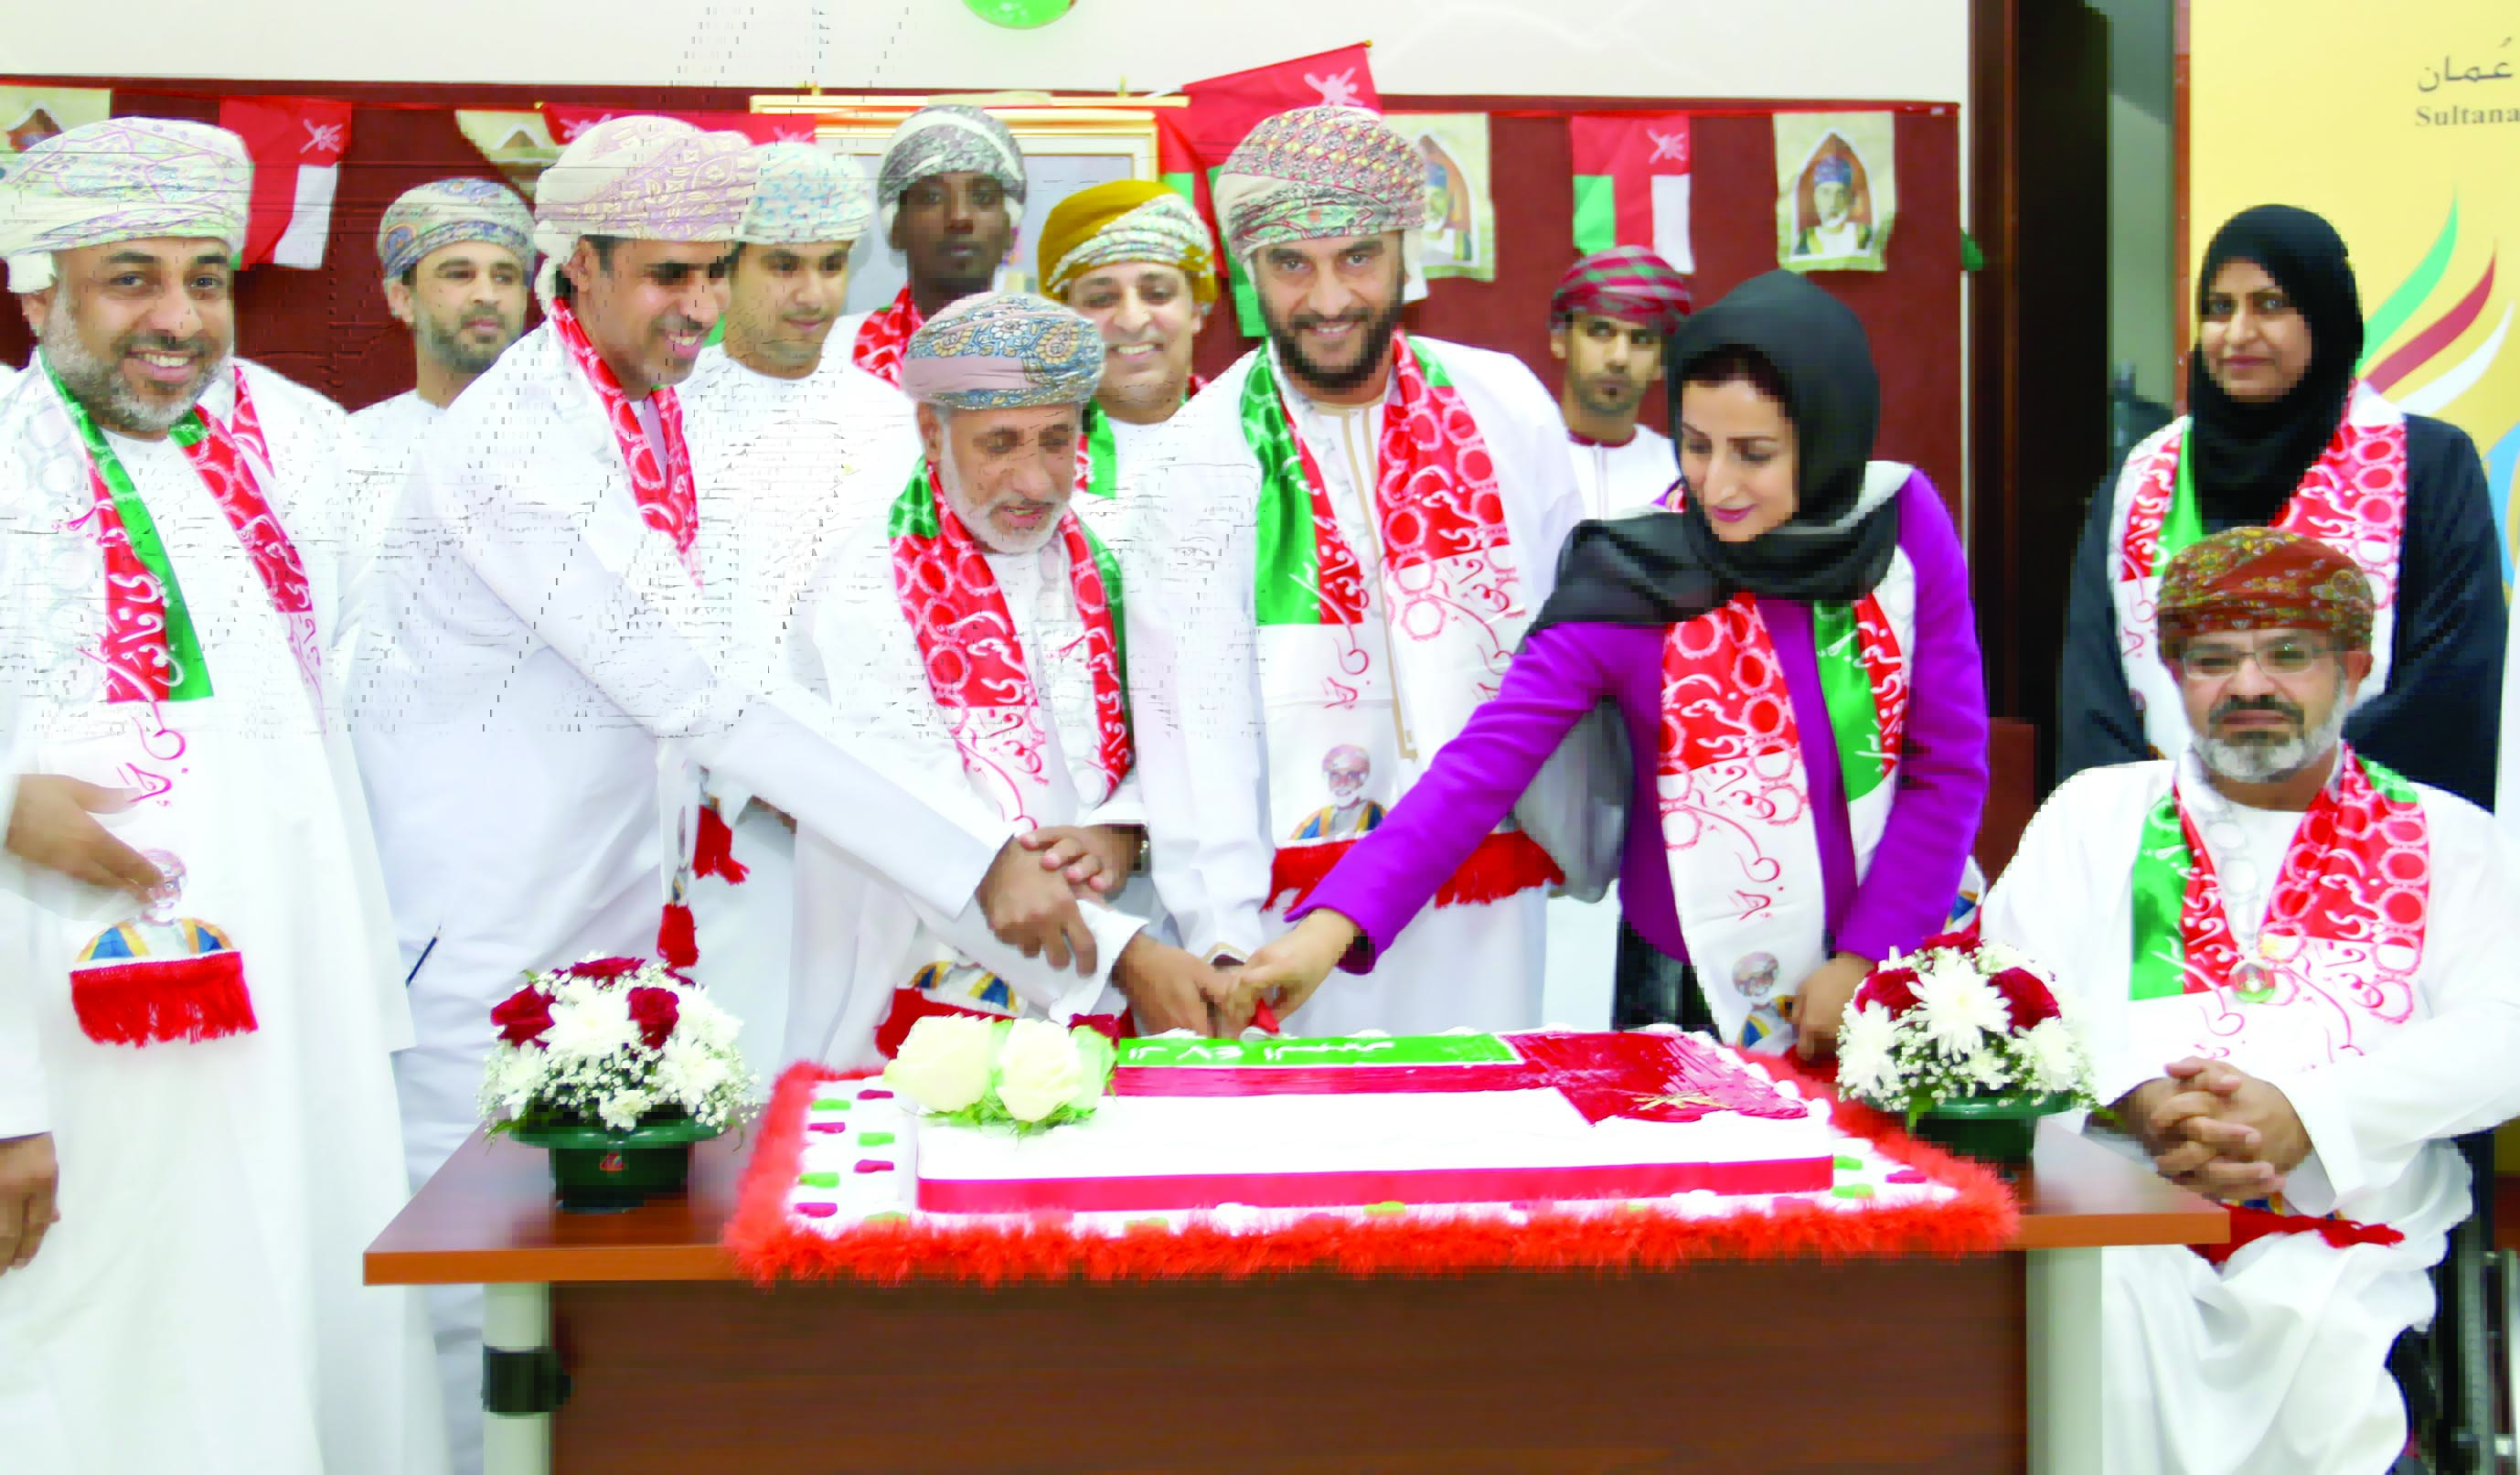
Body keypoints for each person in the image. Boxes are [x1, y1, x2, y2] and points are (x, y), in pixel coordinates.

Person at [349, 114, 1104, 1475]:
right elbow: (709, 688)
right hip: (480, 925)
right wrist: (980, 857)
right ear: (574, 265)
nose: (700, 305)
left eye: (712, 269)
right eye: (668, 273)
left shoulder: (632, 403)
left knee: (582, 1302)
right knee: (477, 1291)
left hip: (609, 917)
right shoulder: (521, 443)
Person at [0, 117, 446, 1475]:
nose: (180, 319)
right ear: (37, 290)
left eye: (206, 279)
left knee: (310, 1308)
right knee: (118, 1353)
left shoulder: (286, 448)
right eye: (130, 279)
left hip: (297, 1006)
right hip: (81, 1040)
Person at [1231, 271, 1988, 1055]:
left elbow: (1946, 765)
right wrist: (1328, 929)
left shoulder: (1899, 526)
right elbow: (1485, 763)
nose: (1717, 484)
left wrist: (1868, 956)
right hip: (1696, 987)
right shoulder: (1634, 574)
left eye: (1755, 454)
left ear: (1827, 439)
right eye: (1696, 445)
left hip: (1900, 954)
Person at [1982, 527, 2520, 1475]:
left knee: (2322, 1381)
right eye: (2213, 659)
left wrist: (2308, 1114)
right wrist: (2141, 1096)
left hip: (2342, 1248)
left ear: (2353, 668)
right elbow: (2013, 990)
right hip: (2118, 1229)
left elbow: (2502, 1033)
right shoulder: (2094, 814)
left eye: (2287, 654)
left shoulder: (2451, 840)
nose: (2249, 685)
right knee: (2090, 1342)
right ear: (2174, 675)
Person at [1121, 105, 1585, 1036]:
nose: (1329, 298)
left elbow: (1566, 653)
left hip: (1489, 903)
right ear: (1248, 272)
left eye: (1358, 257)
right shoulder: (1194, 455)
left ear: (1406, 253)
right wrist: (1220, 935)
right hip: (1281, 924)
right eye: (1292, 264)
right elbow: (1187, 725)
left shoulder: (1506, 404)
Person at [785, 294, 1233, 1063]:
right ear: (932, 432)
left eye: (1056, 441)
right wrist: (1126, 959)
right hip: (918, 975)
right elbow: (916, 820)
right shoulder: (865, 588)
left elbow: (1187, 729)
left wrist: (1126, 827)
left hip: (1121, 964)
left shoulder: (1119, 548)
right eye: (999, 444)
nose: (1033, 481)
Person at [2059, 204, 2504, 808]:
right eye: (2219, 308)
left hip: (2367, 835)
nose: (2238, 333)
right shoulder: (2140, 477)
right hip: (2165, 835)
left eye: (2270, 304)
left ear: (2325, 317)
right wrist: (2168, 818)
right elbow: (2094, 689)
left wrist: (2278, 807)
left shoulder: (2427, 466)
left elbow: (2449, 680)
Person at [677, 141, 917, 1054]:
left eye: (830, 265)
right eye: (783, 265)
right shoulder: (667, 415)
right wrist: (762, 768)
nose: (813, 294)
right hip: (711, 817)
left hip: (864, 814)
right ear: (725, 270)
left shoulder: (896, 424)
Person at [1036, 177, 1218, 511]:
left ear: (1196, 310)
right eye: (1101, 299)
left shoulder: (1265, 440)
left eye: (1157, 294)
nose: (1132, 320)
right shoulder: (1019, 454)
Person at [350, 177, 535, 486]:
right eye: (459, 275)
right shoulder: (353, 452)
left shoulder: (587, 440)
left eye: (505, 277)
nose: (487, 295)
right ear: (403, 299)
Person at [835, 105, 1026, 389]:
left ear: (1010, 230)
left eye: (983, 197)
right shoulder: (834, 353)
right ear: (896, 228)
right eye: (932, 197)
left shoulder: (1048, 360)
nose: (960, 217)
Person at [1549, 245, 1691, 518]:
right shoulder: (1516, 461)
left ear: (1662, 361)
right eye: (1600, 332)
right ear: (1559, 339)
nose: (1619, 357)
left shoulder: (1683, 473)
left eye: (1642, 340)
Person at [1791, 153, 1871, 260]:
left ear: (1849, 197)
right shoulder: (1803, 241)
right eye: (1825, 192)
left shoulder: (1867, 236)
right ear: (1815, 197)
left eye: (1840, 193)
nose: (1833, 202)